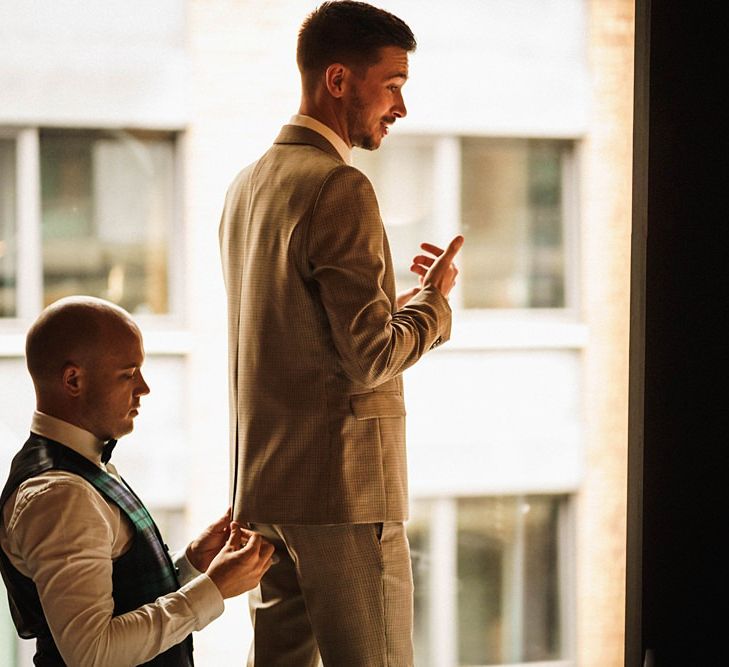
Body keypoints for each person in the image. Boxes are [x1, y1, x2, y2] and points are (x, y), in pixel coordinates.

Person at [218, 2, 463, 665]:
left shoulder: (246, 187)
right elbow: (371, 355)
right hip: (346, 494)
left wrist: (406, 303)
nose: (400, 106)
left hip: (265, 491)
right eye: (392, 84)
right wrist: (433, 306)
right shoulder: (339, 185)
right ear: (337, 79)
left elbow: (305, 339)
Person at [0, 296, 275, 666]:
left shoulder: (80, 467)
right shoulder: (60, 494)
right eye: (128, 374)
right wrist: (214, 589)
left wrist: (193, 563)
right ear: (73, 379)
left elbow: (120, 600)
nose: (143, 388)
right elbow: (93, 653)